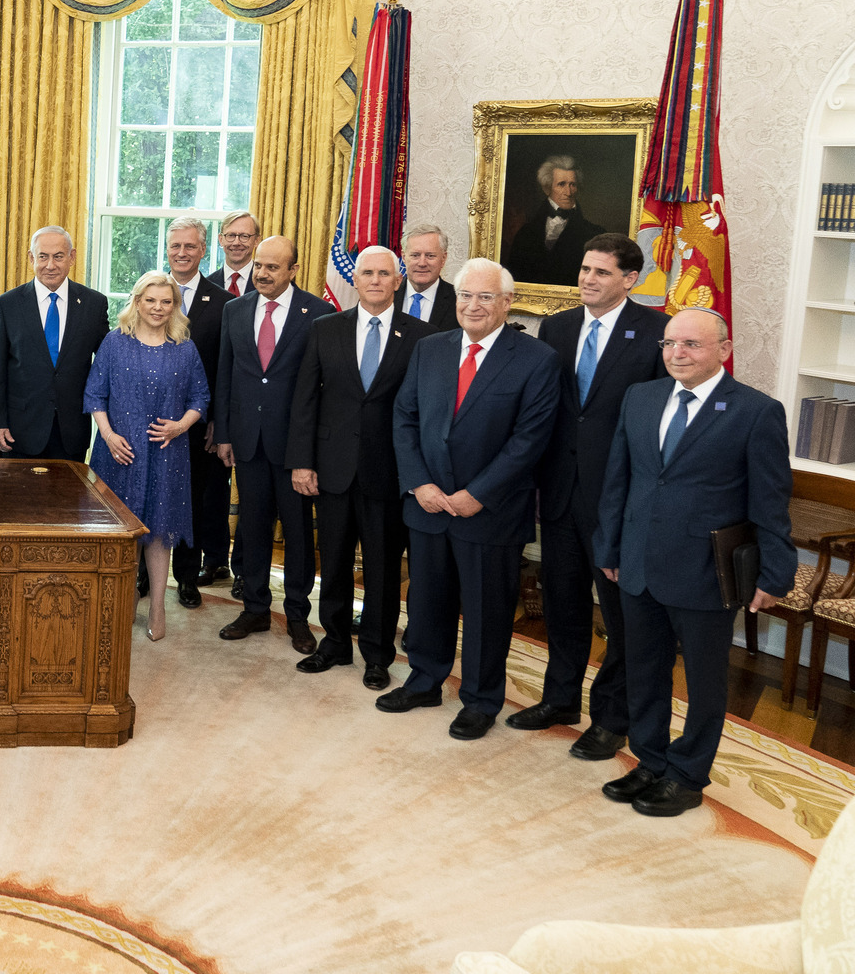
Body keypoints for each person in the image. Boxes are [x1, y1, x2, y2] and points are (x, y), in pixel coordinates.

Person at [594, 309, 793, 817]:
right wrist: (610, 548)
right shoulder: (641, 397)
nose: (676, 353)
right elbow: (619, 480)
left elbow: (770, 501)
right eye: (669, 344)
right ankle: (650, 760)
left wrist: (775, 573)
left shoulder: (756, 411)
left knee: (704, 683)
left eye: (691, 344)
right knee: (644, 670)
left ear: (724, 350)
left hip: (706, 573)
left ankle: (686, 776)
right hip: (638, 563)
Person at [385, 258, 560, 739]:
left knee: (486, 613)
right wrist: (419, 483)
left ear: (507, 303)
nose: (473, 305)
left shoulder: (536, 359)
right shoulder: (430, 348)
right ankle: (424, 681)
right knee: (426, 602)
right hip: (428, 504)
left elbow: (529, 439)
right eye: (466, 295)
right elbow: (405, 418)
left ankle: (481, 700)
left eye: (486, 297)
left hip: (490, 513)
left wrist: (478, 494)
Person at [508, 233, 668, 757]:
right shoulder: (556, 327)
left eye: (601, 272)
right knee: (562, 603)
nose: (587, 279)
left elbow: (659, 424)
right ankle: (560, 699)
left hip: (617, 501)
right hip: (559, 492)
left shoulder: (657, 333)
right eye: (584, 269)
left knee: (620, 618)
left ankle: (612, 718)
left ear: (630, 279)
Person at [286, 245, 433, 687]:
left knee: (382, 570)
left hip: (388, 472)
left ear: (397, 280)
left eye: (384, 274)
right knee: (332, 563)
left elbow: (424, 411)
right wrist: (301, 462)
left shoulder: (423, 336)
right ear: (354, 279)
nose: (374, 280)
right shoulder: (325, 328)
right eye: (367, 273)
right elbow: (305, 400)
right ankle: (334, 643)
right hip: (330, 469)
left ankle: (377, 655)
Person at [212, 236, 323, 651]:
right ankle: (255, 608)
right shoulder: (235, 309)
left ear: (293, 270)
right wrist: (224, 434)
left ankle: (297, 616)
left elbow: (319, 389)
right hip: (248, 441)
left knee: (297, 534)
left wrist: (308, 453)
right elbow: (226, 374)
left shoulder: (318, 313)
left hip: (295, 447)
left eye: (273, 267)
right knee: (253, 529)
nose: (262, 273)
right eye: (259, 265)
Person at [85, 273, 210, 642]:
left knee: (159, 531)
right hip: (119, 453)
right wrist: (108, 436)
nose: (158, 308)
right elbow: (95, 394)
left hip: (167, 453)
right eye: (151, 300)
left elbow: (200, 399)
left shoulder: (185, 348)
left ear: (175, 306)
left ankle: (157, 605)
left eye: (166, 301)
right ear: (137, 302)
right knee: (123, 533)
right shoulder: (114, 342)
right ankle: (124, 600)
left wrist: (180, 426)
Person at [0, 226, 110, 462]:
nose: (50, 265)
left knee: (69, 488)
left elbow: (108, 363)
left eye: (58, 256)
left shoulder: (94, 304)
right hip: (20, 431)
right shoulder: (8, 305)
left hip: (71, 431)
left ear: (72, 257)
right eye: (43, 257)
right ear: (31, 258)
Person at [164, 215, 231, 606]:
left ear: (203, 249)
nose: (182, 252)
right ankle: (144, 574)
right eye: (176, 245)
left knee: (192, 502)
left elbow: (227, 368)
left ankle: (186, 578)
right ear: (167, 249)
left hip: (198, 426)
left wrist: (218, 421)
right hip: (153, 422)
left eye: (190, 245)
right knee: (152, 498)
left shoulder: (225, 303)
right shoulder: (150, 293)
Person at [506, 156, 606, 287]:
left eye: (573, 185)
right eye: (561, 184)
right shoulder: (525, 233)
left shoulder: (595, 234)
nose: (568, 192)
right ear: (547, 188)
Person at [398, 223, 459, 332]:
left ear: (443, 258)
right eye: (415, 255)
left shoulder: (459, 301)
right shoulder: (387, 295)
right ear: (404, 257)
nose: (422, 263)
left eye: (430, 256)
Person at [212, 210, 258, 298]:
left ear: (256, 240)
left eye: (244, 236)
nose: (236, 243)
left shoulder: (266, 283)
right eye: (231, 235)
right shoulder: (206, 284)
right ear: (221, 239)